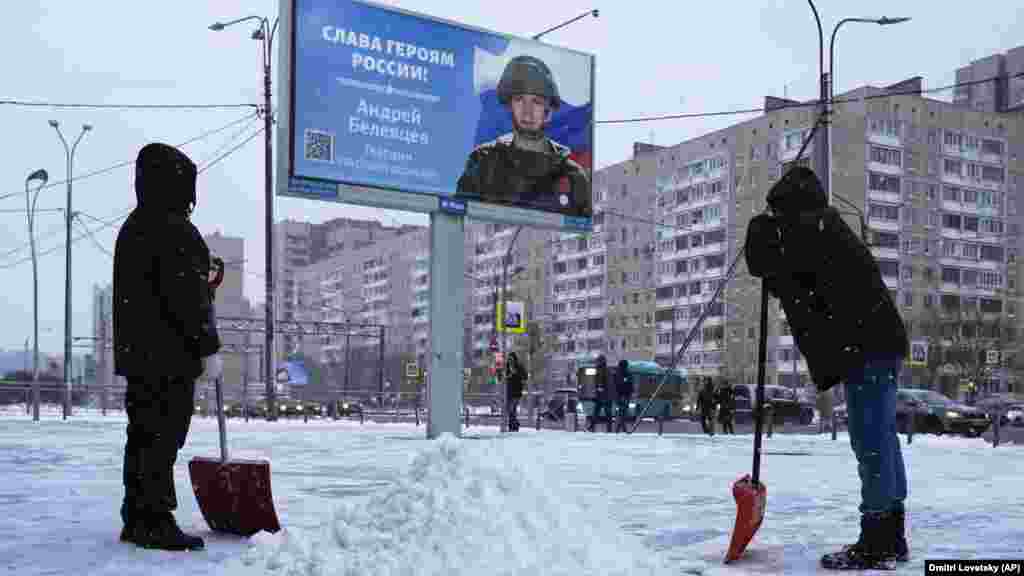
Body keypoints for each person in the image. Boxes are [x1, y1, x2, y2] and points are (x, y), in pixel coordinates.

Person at [745, 166, 909, 570]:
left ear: (789, 209)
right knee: (881, 440)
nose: (778, 222)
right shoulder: (822, 226)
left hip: (867, 347)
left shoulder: (812, 230)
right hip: (875, 344)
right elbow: (791, 283)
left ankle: (878, 542)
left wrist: (762, 245)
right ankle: (892, 536)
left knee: (871, 442)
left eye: (778, 214)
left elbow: (778, 273)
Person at [113, 143, 222, 551]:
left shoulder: (135, 226)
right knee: (162, 436)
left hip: (141, 357)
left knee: (142, 433)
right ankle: (154, 519)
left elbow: (159, 289)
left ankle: (137, 514)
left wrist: (199, 277)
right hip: (169, 357)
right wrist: (208, 347)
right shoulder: (174, 228)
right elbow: (187, 299)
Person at [456, 55, 590, 217]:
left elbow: (581, 230)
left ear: (548, 112)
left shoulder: (573, 175)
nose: (527, 111)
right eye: (519, 100)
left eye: (537, 102)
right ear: (509, 106)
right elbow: (459, 218)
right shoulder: (483, 162)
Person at [587, 355, 613, 433]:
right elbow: (609, 383)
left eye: (598, 361)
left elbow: (600, 382)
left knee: (597, 412)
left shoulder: (600, 370)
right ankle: (609, 429)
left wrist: (599, 389)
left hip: (602, 395)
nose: (596, 363)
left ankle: (592, 426)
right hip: (607, 395)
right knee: (607, 413)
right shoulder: (607, 370)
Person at [505, 352, 526, 431]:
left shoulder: (519, 366)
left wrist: (516, 373)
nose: (510, 360)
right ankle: (514, 425)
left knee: (511, 409)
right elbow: (504, 376)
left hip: (516, 391)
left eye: (511, 359)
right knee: (510, 410)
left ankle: (513, 426)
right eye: (509, 359)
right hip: (508, 391)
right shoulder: (506, 366)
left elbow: (524, 376)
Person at [614, 359, 634, 433]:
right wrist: (630, 393)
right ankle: (621, 428)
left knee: (621, 412)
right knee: (623, 412)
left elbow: (615, 385)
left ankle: (619, 428)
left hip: (619, 395)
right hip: (625, 395)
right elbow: (630, 385)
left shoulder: (616, 373)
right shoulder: (627, 374)